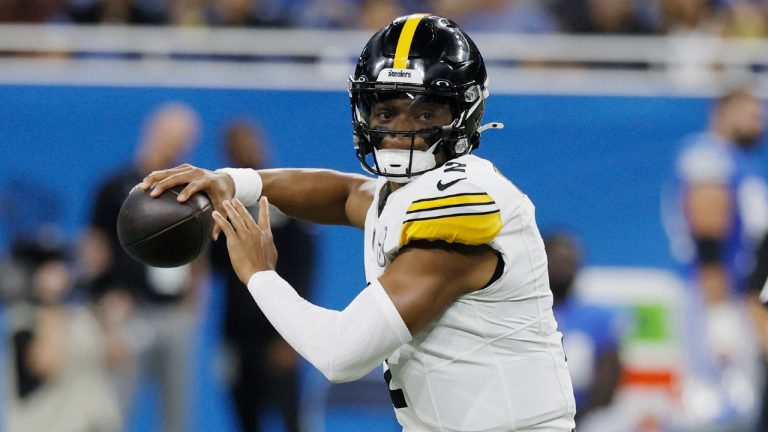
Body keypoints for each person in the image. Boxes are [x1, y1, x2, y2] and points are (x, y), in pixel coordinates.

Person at [141, 14, 576, 431]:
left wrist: (259, 274)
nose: (400, 132)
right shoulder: (409, 191)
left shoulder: (465, 202)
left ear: (464, 114)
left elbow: (341, 354)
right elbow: (346, 193)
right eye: (386, 112)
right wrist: (231, 181)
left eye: (425, 114)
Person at [84, 102, 206, 432]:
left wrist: (193, 307)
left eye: (187, 139)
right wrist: (104, 307)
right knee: (116, 407)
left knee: (177, 414)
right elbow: (94, 251)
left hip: (174, 313)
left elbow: (200, 254)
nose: (180, 145)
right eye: (175, 136)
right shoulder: (115, 187)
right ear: (154, 132)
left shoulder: (191, 189)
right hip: (129, 310)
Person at [664, 88, 768, 428]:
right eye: (750, 114)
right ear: (721, 113)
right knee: (716, 405)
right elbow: (709, 235)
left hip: (738, 293)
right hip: (715, 294)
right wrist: (718, 312)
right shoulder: (709, 155)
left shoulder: (739, 161)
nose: (759, 122)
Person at [210, 120, 316, 432]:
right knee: (244, 414)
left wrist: (293, 335)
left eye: (248, 143)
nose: (244, 151)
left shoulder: (285, 195)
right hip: (238, 331)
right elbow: (216, 266)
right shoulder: (223, 205)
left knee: (290, 416)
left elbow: (304, 266)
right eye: (235, 145)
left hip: (279, 330)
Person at [544, 233, 623, 426]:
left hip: (584, 417)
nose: (565, 268)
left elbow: (608, 383)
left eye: (570, 262)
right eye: (558, 261)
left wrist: (572, 420)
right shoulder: (523, 314)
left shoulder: (598, 317)